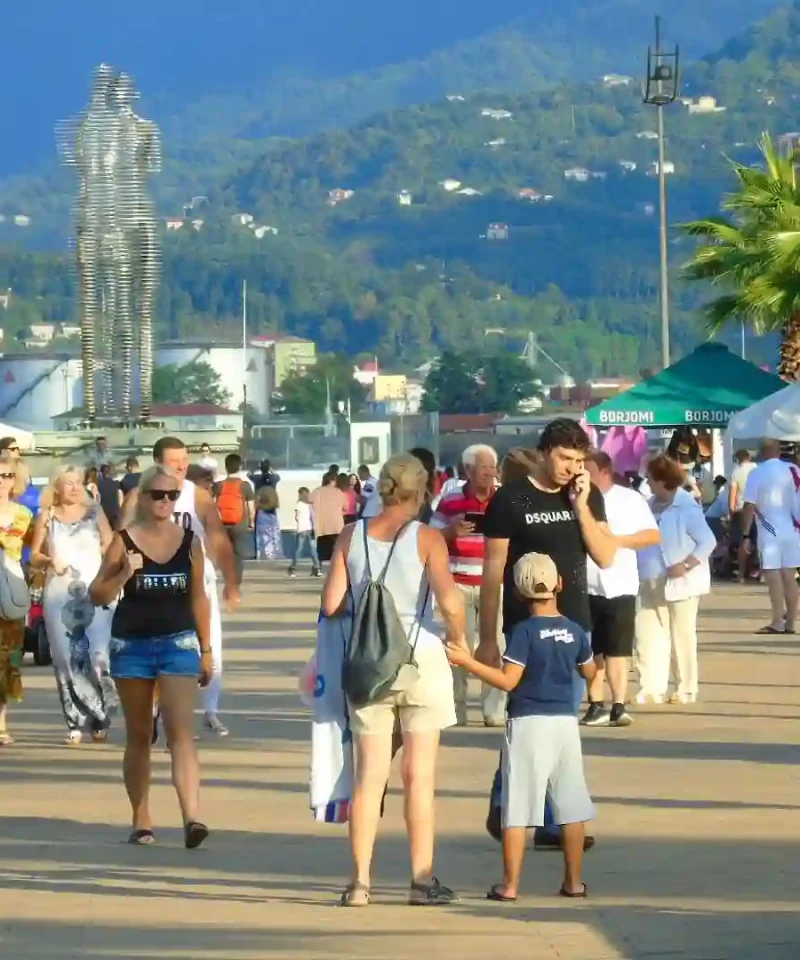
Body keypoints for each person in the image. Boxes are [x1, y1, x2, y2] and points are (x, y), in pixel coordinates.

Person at [321, 454, 466, 907]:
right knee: (418, 777)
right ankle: (421, 880)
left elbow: (330, 604)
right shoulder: (427, 538)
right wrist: (459, 640)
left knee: (369, 777)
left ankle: (359, 882)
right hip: (419, 654)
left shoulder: (351, 535)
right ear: (423, 491)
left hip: (368, 662)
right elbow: (450, 601)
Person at [480, 418, 615, 851]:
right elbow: (492, 572)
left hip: (574, 626)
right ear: (543, 452)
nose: (570, 468)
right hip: (524, 628)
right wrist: (486, 638)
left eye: (578, 460)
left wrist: (581, 507)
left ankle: (525, 810)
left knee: (558, 722)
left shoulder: (585, 496)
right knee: (526, 721)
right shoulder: (511, 498)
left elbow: (606, 555)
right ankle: (527, 810)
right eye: (563, 458)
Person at [447, 553, 596, 899]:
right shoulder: (574, 630)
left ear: (518, 593)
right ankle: (573, 883)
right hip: (564, 723)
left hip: (529, 722)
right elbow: (589, 671)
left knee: (518, 806)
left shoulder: (523, 632)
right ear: (560, 584)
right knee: (571, 804)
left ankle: (510, 885)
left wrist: (467, 661)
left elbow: (509, 680)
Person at [90, 464, 212, 848]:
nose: (164, 501)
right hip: (132, 645)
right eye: (157, 495)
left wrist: (206, 649)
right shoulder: (124, 541)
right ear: (142, 498)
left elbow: (199, 597)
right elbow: (97, 594)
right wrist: (124, 574)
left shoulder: (190, 541)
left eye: (171, 495)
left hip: (178, 642)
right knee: (140, 734)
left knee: (181, 733)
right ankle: (141, 817)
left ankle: (192, 817)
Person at [119, 437, 238, 737]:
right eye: (175, 461)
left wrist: (232, 582)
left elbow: (218, 537)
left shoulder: (196, 495)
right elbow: (121, 539)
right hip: (153, 585)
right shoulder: (139, 495)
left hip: (196, 579)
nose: (183, 465)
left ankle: (208, 712)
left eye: (185, 459)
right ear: (158, 462)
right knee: (158, 648)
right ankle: (157, 711)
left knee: (209, 650)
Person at [30, 465, 116, 744]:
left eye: (78, 482)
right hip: (59, 594)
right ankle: (75, 721)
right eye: (68, 483)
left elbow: (111, 545)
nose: (74, 488)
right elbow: (34, 555)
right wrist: (48, 561)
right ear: (56, 487)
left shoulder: (95, 513)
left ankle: (101, 712)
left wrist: (109, 569)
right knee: (66, 659)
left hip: (94, 591)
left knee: (97, 656)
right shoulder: (47, 517)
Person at [581, 451, 660, 728]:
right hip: (585, 583)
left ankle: (618, 704)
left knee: (618, 649)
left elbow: (652, 534)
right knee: (591, 651)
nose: (581, 475)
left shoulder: (630, 499)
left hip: (620, 583)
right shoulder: (573, 498)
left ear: (604, 472)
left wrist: (619, 540)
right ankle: (594, 703)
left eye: (587, 470)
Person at [432, 443, 505, 727]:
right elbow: (430, 536)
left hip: (494, 585)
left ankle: (493, 710)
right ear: (469, 469)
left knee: (496, 646)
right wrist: (452, 531)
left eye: (492, 467)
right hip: (458, 583)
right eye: (484, 467)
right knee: (457, 647)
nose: (489, 473)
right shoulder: (450, 500)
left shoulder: (504, 499)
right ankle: (455, 710)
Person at [636, 455, 716, 704]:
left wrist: (687, 564)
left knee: (682, 637)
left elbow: (708, 541)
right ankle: (650, 688)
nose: (646, 482)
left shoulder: (687, 506)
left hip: (681, 583)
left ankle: (685, 688)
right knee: (647, 635)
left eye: (650, 478)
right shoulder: (648, 505)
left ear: (661, 480)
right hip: (649, 578)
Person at [741, 439, 800, 634]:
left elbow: (749, 505)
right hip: (792, 528)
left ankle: (777, 620)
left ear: (762, 452)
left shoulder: (757, 473)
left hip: (770, 528)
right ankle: (791, 621)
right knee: (790, 575)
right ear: (778, 451)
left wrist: (745, 534)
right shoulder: (793, 469)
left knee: (773, 574)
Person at [0, 453, 34, 745]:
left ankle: (1, 723)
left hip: (10, 589)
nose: (3, 482)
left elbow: (36, 551)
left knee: (8, 658)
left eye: (8, 476)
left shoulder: (24, 514)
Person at [214, 454, 255, 586]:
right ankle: (235, 583)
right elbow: (251, 507)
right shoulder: (245, 486)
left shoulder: (219, 485)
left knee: (225, 554)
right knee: (238, 555)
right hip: (239, 524)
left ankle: (227, 579)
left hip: (222, 524)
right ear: (240, 466)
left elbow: (213, 504)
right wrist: (251, 522)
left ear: (226, 467)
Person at [728, 450, 756, 583]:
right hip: (758, 508)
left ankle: (741, 575)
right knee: (760, 541)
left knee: (743, 542)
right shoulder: (757, 468)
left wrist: (731, 510)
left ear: (737, 459)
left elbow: (732, 493)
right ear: (749, 457)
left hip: (741, 509)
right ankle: (762, 573)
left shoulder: (736, 471)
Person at [311, 472, 347, 563]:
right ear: (332, 481)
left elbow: (309, 502)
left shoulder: (316, 491)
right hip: (336, 526)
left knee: (322, 552)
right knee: (335, 552)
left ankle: (320, 568)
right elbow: (346, 507)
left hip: (321, 526)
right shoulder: (338, 492)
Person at [289, 487, 320, 577]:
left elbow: (297, 517)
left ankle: (293, 569)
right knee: (313, 549)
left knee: (298, 549)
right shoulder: (310, 505)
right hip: (310, 528)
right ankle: (317, 568)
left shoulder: (298, 504)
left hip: (301, 528)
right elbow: (313, 517)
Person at [254, 483, 283, 560]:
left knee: (263, 536)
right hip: (272, 512)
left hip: (262, 512)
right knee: (275, 535)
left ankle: (264, 555)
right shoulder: (272, 490)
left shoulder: (260, 490)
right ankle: (276, 553)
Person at [97, 462, 123, 529]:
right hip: (115, 512)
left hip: (104, 513)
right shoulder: (116, 484)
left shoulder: (98, 485)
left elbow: (97, 499)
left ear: (101, 473)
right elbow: (120, 497)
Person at [704, 475, 729, 542]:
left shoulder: (722, 493)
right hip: (713, 518)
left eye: (717, 485)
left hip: (712, 517)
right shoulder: (723, 492)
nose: (716, 487)